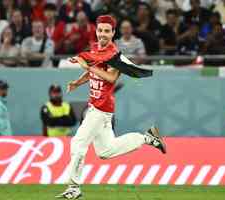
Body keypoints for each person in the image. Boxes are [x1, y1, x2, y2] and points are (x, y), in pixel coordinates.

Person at [56, 15, 166, 199]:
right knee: (105, 151)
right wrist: (78, 82)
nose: (103, 34)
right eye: (100, 30)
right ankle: (147, 138)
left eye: (107, 31)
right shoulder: (95, 50)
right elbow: (92, 70)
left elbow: (111, 78)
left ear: (113, 33)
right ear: (96, 31)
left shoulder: (116, 56)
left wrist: (88, 68)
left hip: (101, 109)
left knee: (78, 143)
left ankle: (74, 188)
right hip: (98, 109)